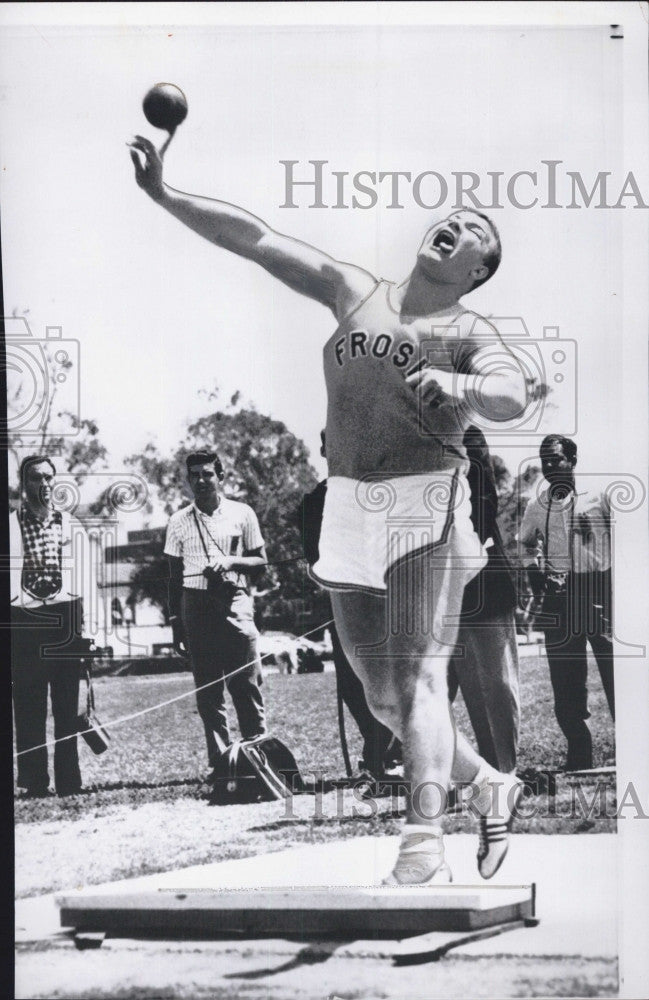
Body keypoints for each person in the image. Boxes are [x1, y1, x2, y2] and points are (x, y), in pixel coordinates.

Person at [130, 136, 530, 884]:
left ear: (476, 270)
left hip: (422, 498)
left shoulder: (468, 332)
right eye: (455, 215)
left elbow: (513, 392)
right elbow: (256, 241)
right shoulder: (354, 290)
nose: (458, 223)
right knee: (379, 696)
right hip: (347, 502)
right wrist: (165, 194)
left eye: (477, 231)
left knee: (417, 676)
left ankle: (421, 847)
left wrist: (466, 392)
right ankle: (485, 784)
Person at [165, 451, 268, 772]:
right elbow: (172, 577)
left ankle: (260, 755)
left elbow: (261, 562)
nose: (201, 480)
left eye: (208, 474)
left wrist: (231, 562)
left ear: (221, 477)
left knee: (246, 683)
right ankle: (222, 764)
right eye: (194, 475)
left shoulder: (242, 513)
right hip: (195, 605)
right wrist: (176, 624)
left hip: (234, 599)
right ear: (188, 480)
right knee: (208, 692)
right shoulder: (178, 520)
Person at [519, 434, 614, 771]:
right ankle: (579, 754)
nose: (548, 465)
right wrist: (534, 574)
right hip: (559, 595)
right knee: (564, 681)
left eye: (555, 458)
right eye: (544, 459)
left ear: (572, 460)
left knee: (616, 670)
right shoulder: (536, 504)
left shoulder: (599, 495)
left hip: (600, 588)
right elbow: (526, 544)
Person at [10, 455, 99, 797]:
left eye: (49, 478)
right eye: (36, 478)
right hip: (25, 620)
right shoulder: (12, 525)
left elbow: (87, 579)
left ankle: (69, 780)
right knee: (29, 704)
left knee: (66, 705)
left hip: (66, 619)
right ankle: (34, 781)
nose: (44, 485)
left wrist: (88, 631)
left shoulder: (70, 524)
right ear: (24, 483)